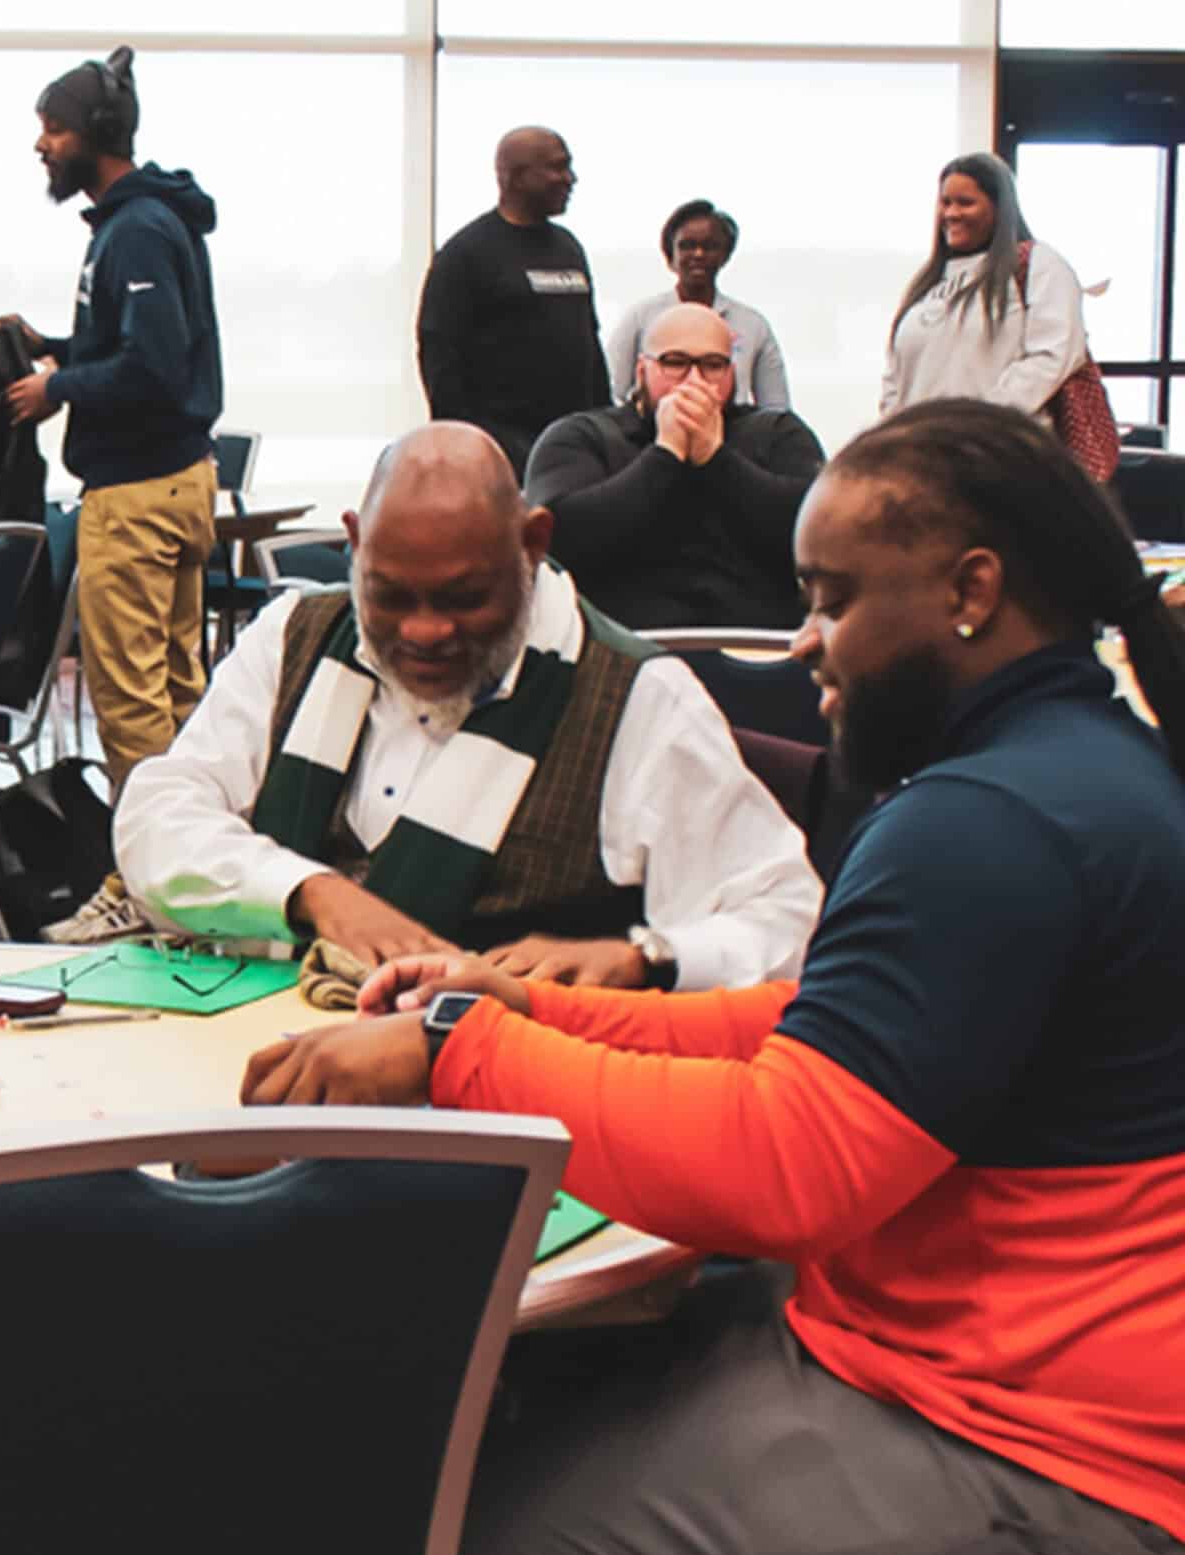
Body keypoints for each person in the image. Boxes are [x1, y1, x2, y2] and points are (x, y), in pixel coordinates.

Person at [243, 400, 1185, 1555]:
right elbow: (806, 1026)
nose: (804, 640)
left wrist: (454, 1052)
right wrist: (523, 1011)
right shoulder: (1074, 768)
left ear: (974, 592)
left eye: (835, 599)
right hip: (1032, 1401)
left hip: (1051, 1469)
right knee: (543, 1393)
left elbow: (786, 1164)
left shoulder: (989, 821)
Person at [116, 422, 818, 990]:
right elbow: (157, 815)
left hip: (501, 1115)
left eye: (463, 598)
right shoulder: (294, 634)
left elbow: (785, 919)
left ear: (534, 545)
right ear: (354, 543)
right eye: (390, 595)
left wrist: (646, 958)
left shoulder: (639, 700)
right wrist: (310, 893)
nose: (424, 631)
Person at [0, 44, 224, 944]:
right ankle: (194, 875)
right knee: (177, 700)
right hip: (180, 482)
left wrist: (56, 388)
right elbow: (134, 349)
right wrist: (60, 345)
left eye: (50, 129)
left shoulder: (133, 231)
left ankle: (143, 882)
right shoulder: (153, 221)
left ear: (91, 135)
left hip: (135, 495)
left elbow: (153, 366)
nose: (41, 146)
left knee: (131, 703)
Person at [527, 302, 825, 630]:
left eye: (712, 365)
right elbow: (560, 539)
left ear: (732, 374)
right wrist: (665, 455)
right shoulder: (582, 437)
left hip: (759, 646)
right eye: (675, 363)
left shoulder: (777, 434)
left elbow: (817, 531)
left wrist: (716, 458)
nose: (693, 381)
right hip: (623, 648)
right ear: (642, 371)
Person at [418, 127, 610, 478]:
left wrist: (602, 429)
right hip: (501, 455)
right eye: (558, 168)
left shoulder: (569, 247)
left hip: (570, 448)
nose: (570, 179)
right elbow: (439, 357)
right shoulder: (466, 254)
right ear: (517, 177)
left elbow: (590, 344)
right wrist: (467, 447)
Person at [883, 152, 1087, 422]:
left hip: (996, 451)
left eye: (965, 203)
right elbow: (894, 381)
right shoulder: (928, 281)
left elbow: (1052, 357)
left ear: (1000, 208)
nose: (951, 214)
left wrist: (975, 424)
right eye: (945, 202)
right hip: (923, 453)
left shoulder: (1038, 264)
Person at [602, 199, 790, 411]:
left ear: (725, 255)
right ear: (671, 255)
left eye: (709, 246)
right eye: (687, 246)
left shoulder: (753, 325)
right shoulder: (640, 318)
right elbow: (612, 395)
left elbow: (776, 408)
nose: (698, 254)